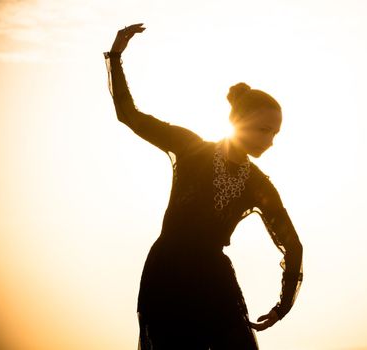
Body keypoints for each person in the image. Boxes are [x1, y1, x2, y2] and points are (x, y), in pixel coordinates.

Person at [103, 23, 303, 350]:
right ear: (238, 121)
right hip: (167, 273)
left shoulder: (257, 183)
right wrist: (115, 56)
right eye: (263, 129)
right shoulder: (190, 148)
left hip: (214, 279)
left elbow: (292, 245)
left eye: (275, 133)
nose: (269, 141)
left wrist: (283, 307)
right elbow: (130, 115)